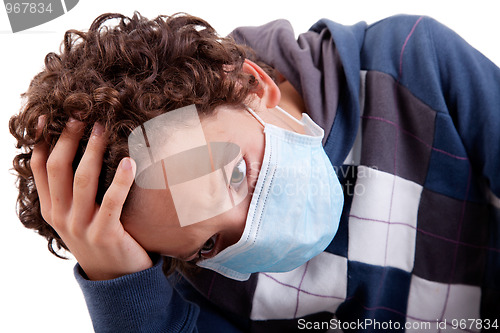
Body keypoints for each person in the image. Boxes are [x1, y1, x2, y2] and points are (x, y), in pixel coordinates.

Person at [9, 11, 499, 332]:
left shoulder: (413, 68)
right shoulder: (198, 284)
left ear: (250, 83)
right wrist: (120, 283)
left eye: (236, 175)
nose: (253, 233)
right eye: (207, 245)